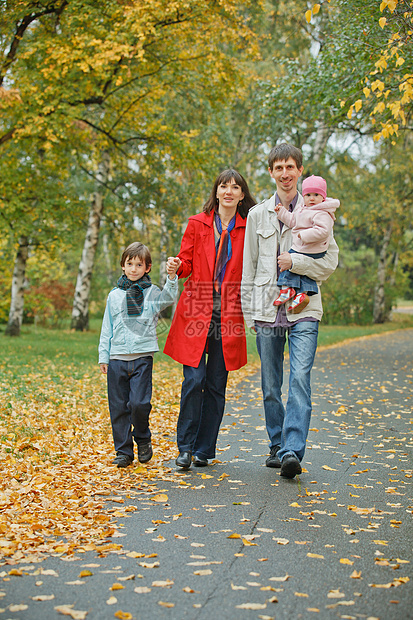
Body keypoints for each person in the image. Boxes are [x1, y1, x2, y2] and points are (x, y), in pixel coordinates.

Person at [241, 144, 339, 479]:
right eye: (279, 167)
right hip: (267, 310)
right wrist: (249, 313)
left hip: (305, 308)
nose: (285, 174)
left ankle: (292, 452)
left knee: (299, 379)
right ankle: (276, 444)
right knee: (271, 385)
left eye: (291, 167)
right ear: (271, 172)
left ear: (300, 170)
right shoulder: (257, 215)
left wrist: (295, 262)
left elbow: (329, 262)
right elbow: (248, 267)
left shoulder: (319, 210)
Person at [164, 169, 256, 469]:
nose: (229, 191)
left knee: (216, 384)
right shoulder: (197, 223)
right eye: (223, 186)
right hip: (195, 310)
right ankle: (185, 448)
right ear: (216, 192)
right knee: (194, 380)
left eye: (235, 187)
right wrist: (177, 265)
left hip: (228, 314)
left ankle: (204, 449)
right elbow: (186, 263)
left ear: (242, 195)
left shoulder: (249, 227)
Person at [98, 242, 179, 468]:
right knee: (118, 407)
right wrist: (104, 356)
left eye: (139, 264)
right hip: (117, 358)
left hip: (142, 358)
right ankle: (123, 451)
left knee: (139, 404)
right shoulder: (114, 296)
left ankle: (142, 437)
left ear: (147, 268)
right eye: (129, 264)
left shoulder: (151, 292)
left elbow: (168, 299)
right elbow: (107, 326)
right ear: (123, 266)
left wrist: (171, 279)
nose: (134, 269)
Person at [273, 174, 340, 313]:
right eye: (308, 195)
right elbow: (292, 221)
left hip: (311, 248)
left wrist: (304, 236)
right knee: (304, 273)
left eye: (316, 194)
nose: (312, 198)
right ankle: (302, 295)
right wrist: (282, 213)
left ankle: (287, 288)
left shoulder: (322, 212)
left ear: (323, 197)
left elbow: (323, 231)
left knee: (288, 261)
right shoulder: (302, 209)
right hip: (305, 247)